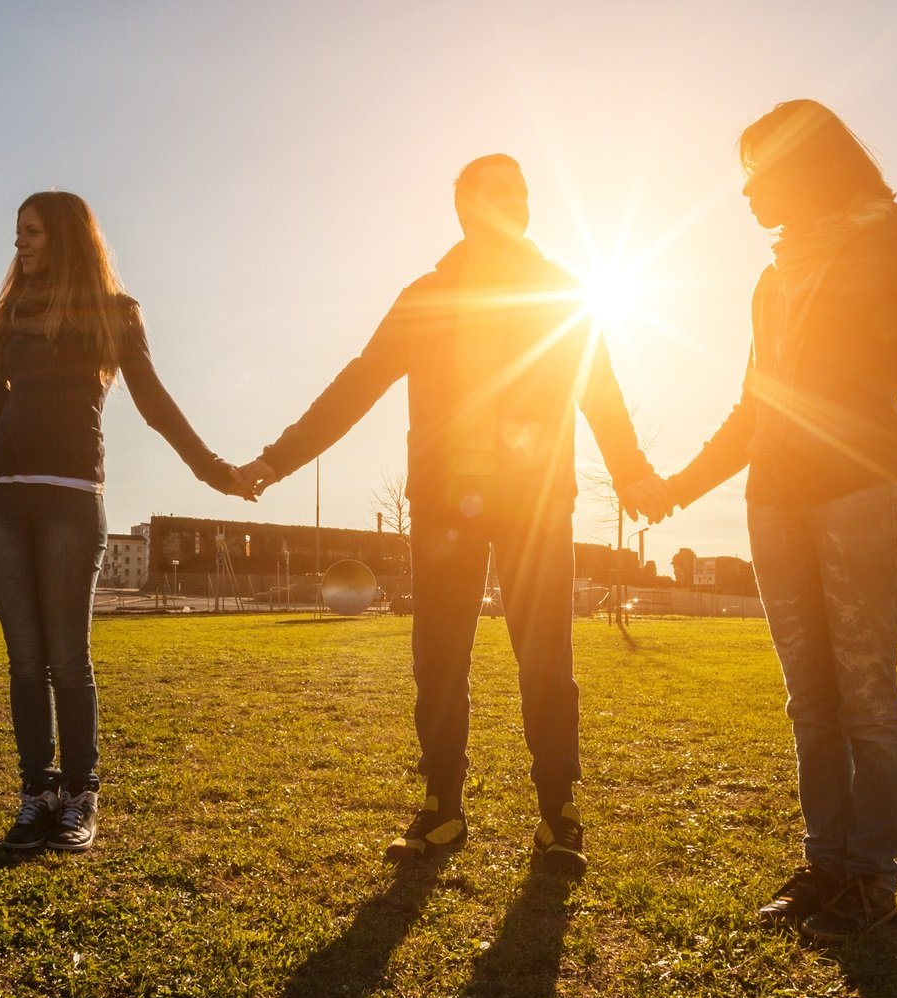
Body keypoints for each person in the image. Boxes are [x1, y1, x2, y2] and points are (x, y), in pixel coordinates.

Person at [240, 154, 667, 873]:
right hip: (445, 510)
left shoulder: (560, 292)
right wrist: (277, 458)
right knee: (438, 659)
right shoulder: (427, 295)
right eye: (496, 191)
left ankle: (558, 814)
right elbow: (358, 382)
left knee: (546, 662)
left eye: (522, 193)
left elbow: (599, 388)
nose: (514, 203)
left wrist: (632, 472)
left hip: (534, 505)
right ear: (463, 204)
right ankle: (441, 808)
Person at [658, 100, 897, 940]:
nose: (746, 192)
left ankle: (868, 878)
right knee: (811, 701)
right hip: (774, 500)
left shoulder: (886, 235)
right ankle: (824, 865)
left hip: (861, 491)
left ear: (806, 163)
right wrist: (676, 487)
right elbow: (752, 408)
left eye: (757, 171)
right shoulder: (770, 279)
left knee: (866, 693)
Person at [0, 191, 250, 853]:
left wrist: (211, 469)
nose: (19, 245)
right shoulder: (13, 319)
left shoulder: (114, 315)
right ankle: (36, 795)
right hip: (0, 497)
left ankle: (80, 795)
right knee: (25, 663)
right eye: (16, 233)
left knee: (67, 657)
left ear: (62, 235)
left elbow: (151, 403)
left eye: (30, 232)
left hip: (69, 499)